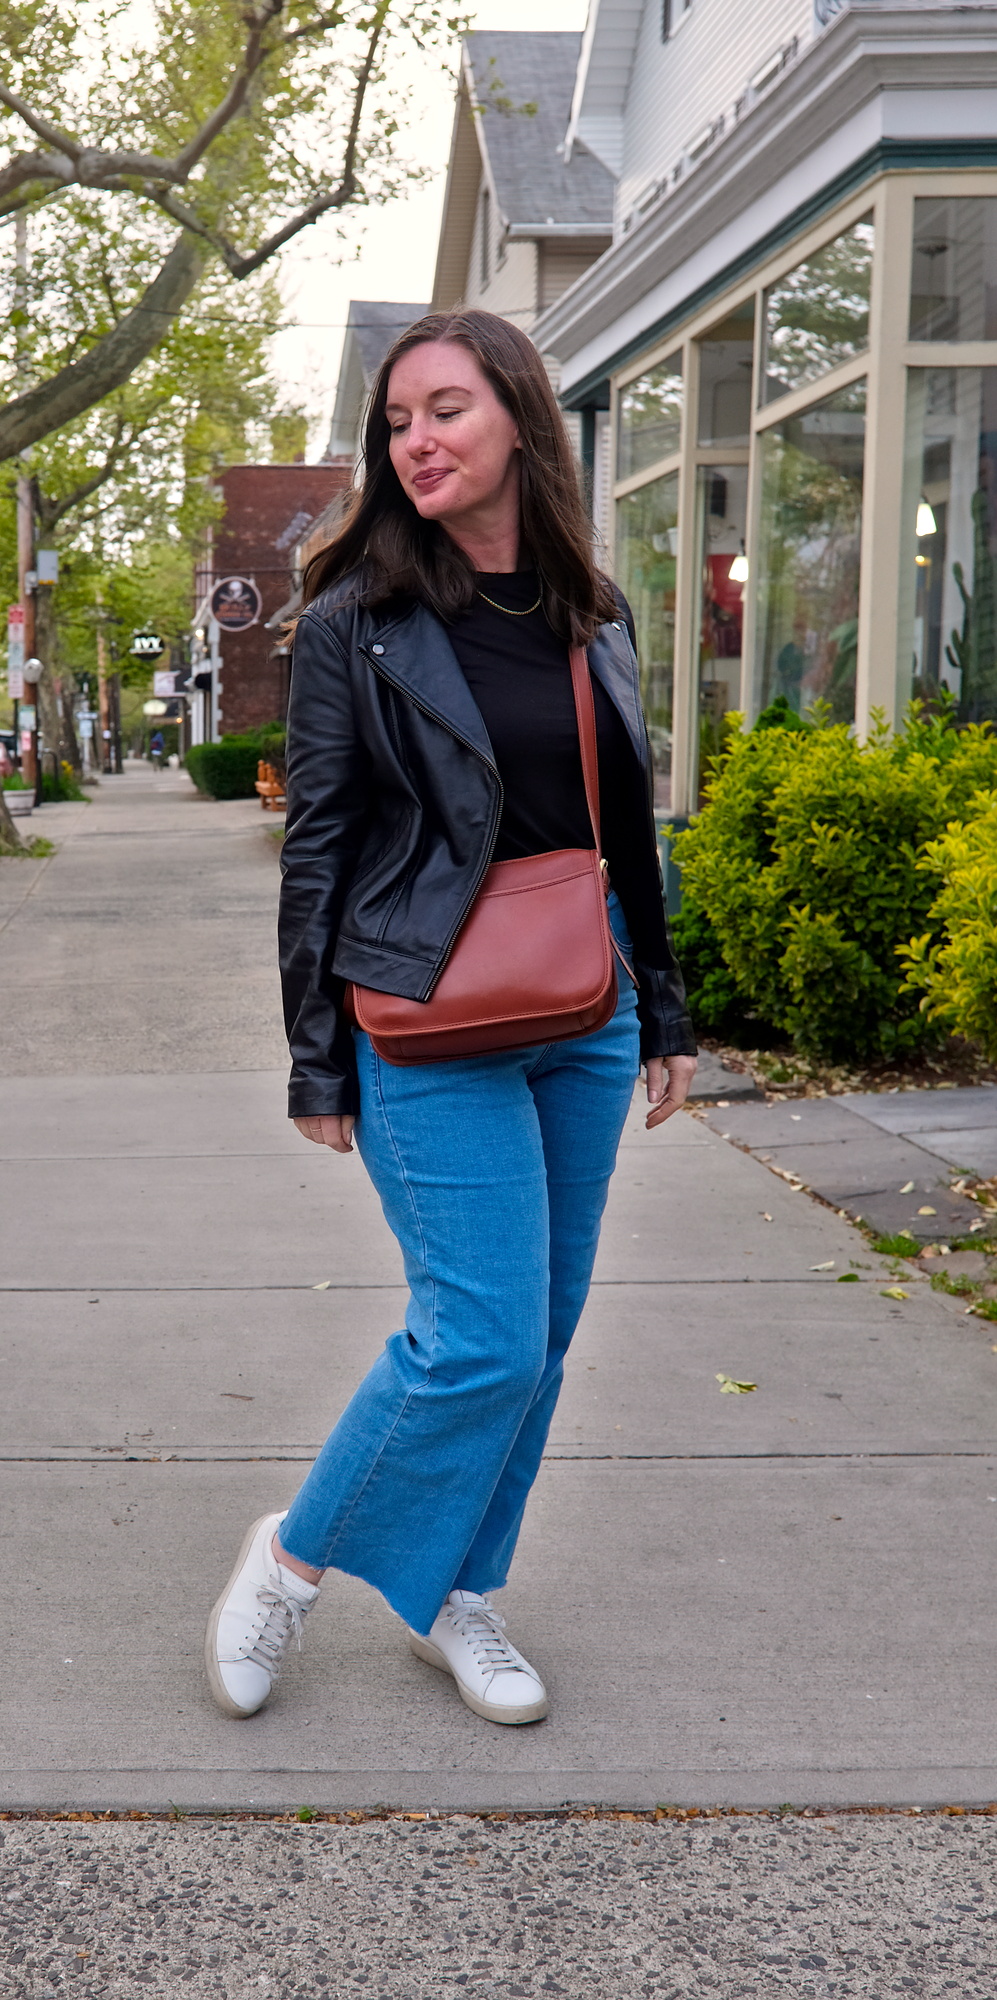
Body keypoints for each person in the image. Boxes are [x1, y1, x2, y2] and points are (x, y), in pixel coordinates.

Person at [204, 310, 697, 1727]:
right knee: (471, 1335)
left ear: (519, 422)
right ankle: (287, 1568)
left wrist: (659, 1011)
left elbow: (625, 832)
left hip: (584, 1008)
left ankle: (453, 1594)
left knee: (536, 1342)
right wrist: (315, 1053)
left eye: (445, 411)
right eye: (397, 421)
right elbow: (321, 844)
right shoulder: (356, 622)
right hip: (421, 1009)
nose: (414, 440)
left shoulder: (582, 609)